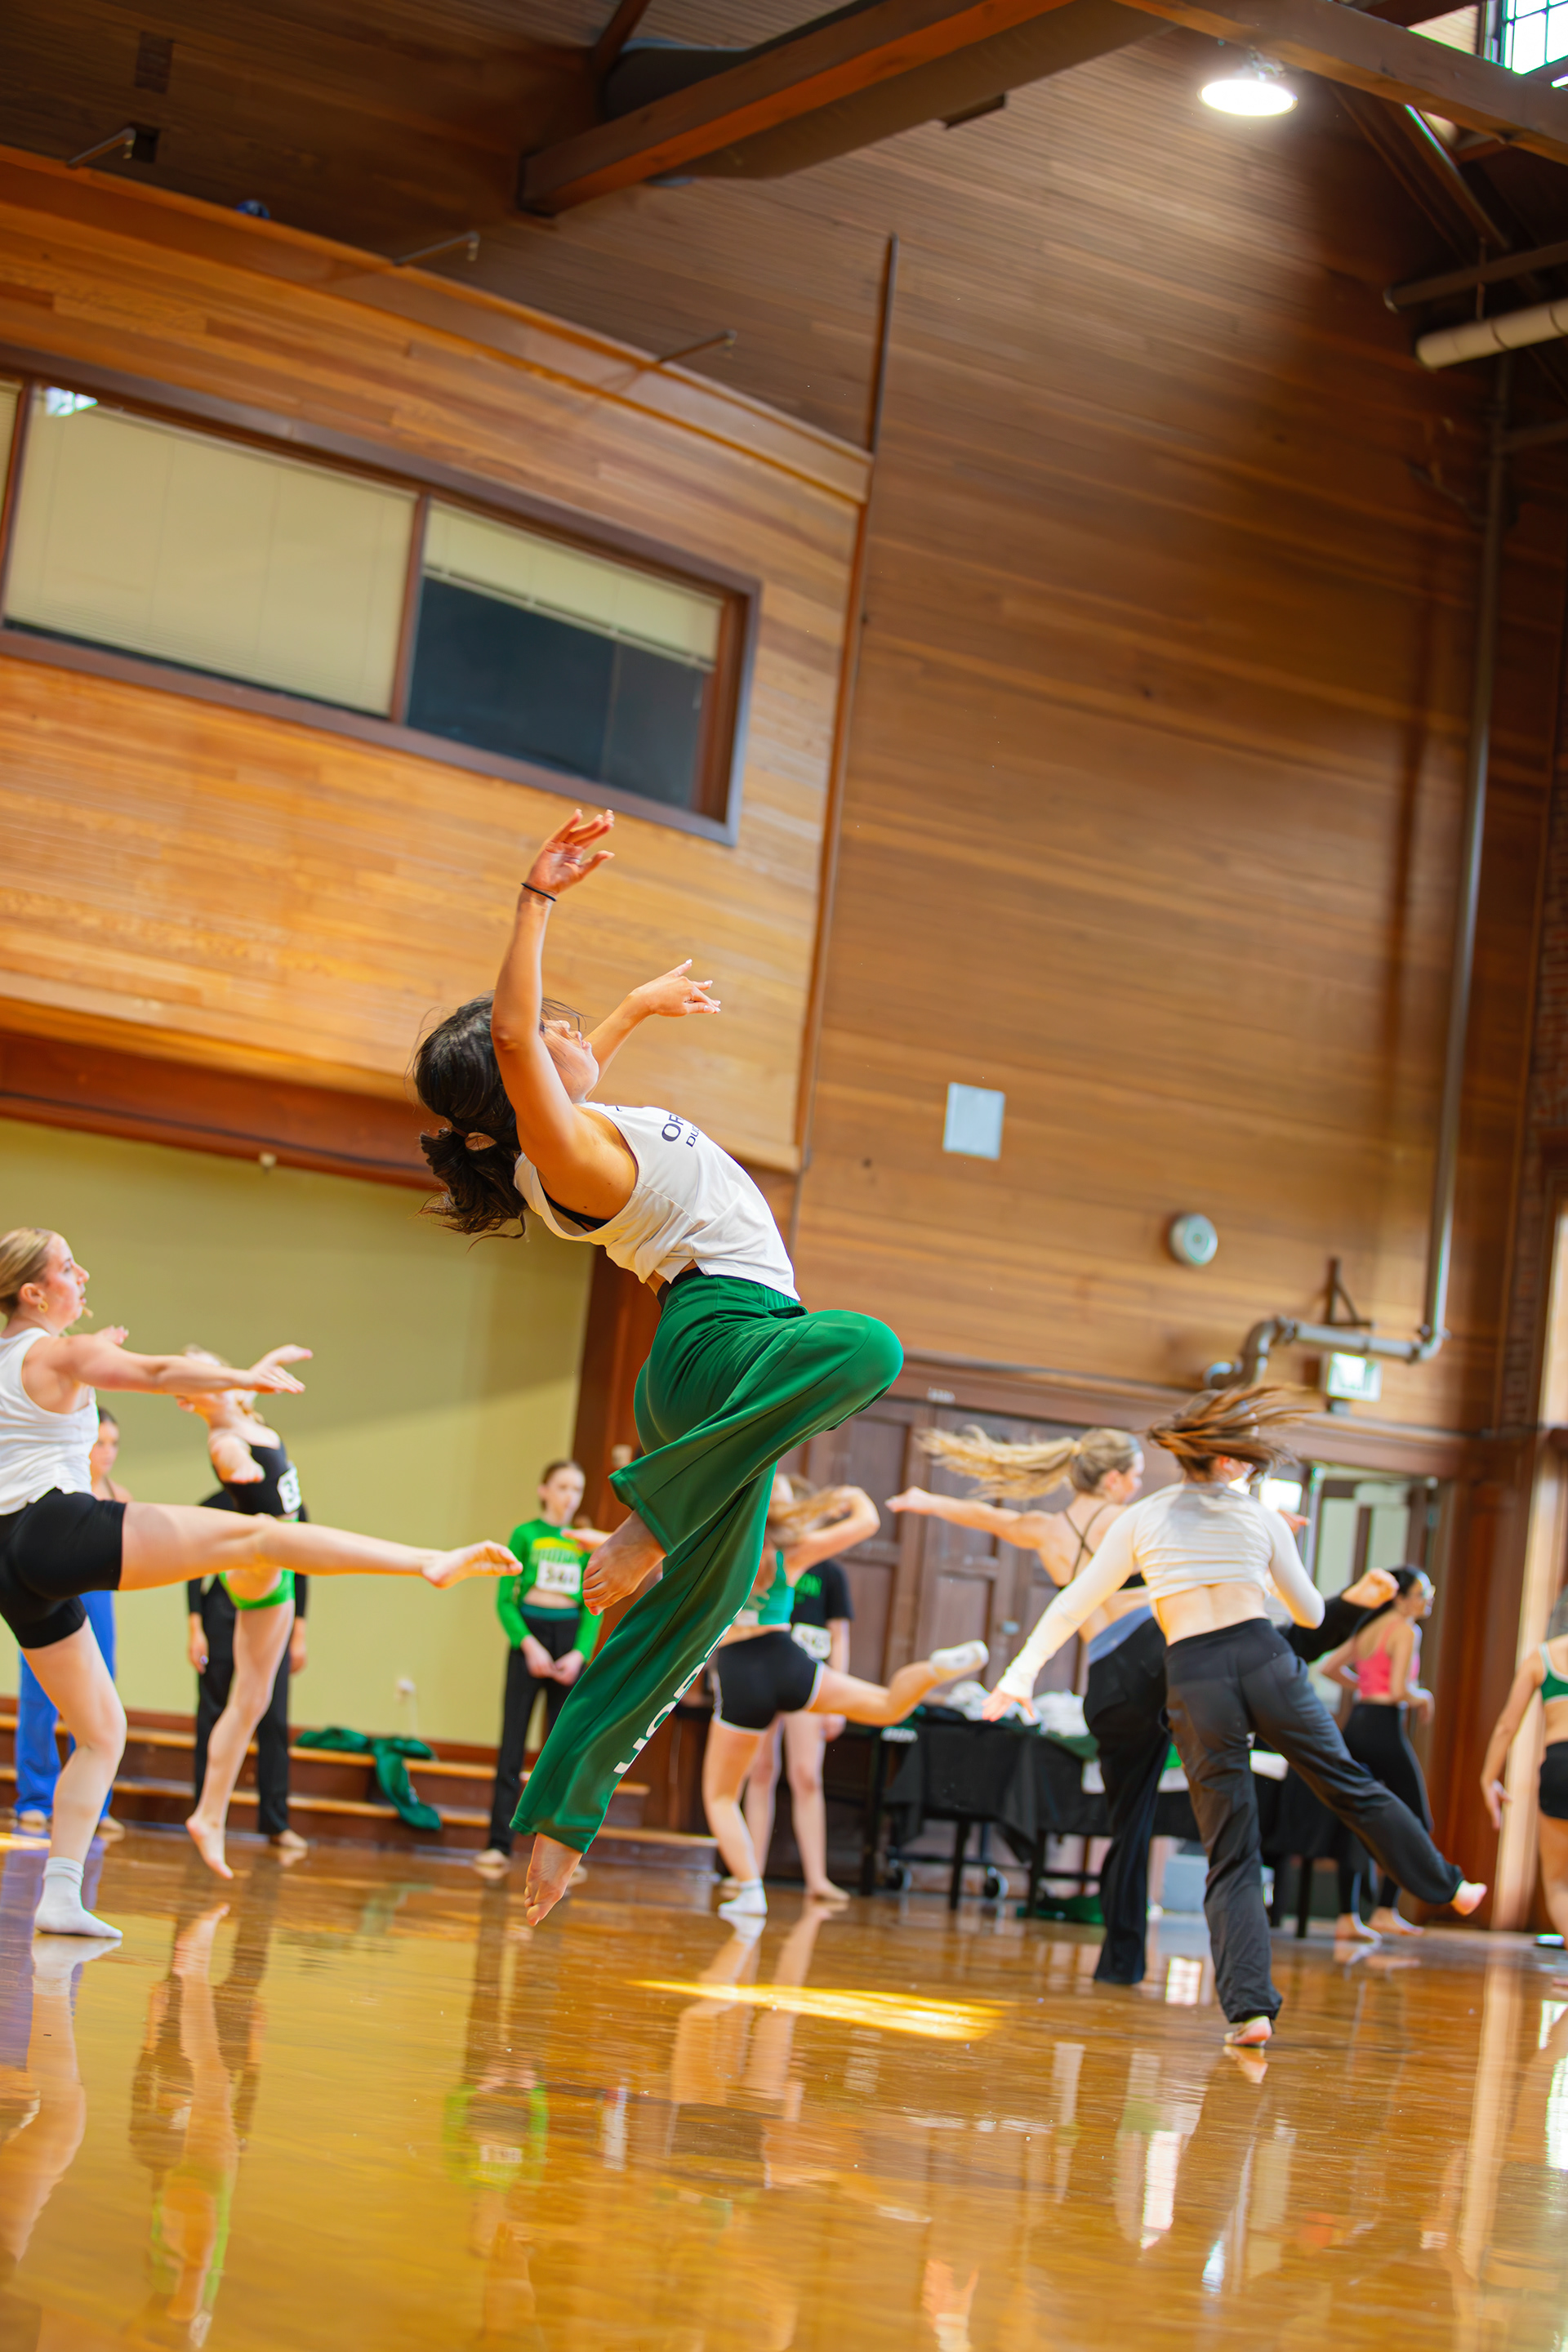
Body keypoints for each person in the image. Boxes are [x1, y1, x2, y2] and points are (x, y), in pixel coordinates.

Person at [412, 809, 907, 1927]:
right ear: (523, 1082)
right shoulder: (561, 1145)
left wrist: (636, 1008)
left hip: (703, 1361)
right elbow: (517, 1038)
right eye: (555, 1033)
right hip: (728, 1334)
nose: (568, 1031)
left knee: (708, 1599)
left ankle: (558, 1822)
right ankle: (653, 1512)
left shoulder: (561, 1140)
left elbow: (554, 1061)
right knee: (867, 1347)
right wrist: (535, 898)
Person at [0, 1226, 513, 1935]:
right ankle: (427, 1562)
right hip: (54, 1527)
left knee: (104, 1731)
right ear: (33, 1291)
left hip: (11, 1561)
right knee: (260, 1537)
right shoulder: (63, 1353)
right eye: (67, 1266)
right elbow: (156, 1373)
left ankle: (60, 1896)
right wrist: (243, 1377)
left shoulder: (23, 1356)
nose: (81, 1273)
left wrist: (100, 1351)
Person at [985, 1387, 1484, 2046]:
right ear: (1227, 1461)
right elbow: (1310, 1615)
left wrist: (1018, 1676)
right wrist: (1280, 1567)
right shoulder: (1261, 1518)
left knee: (1231, 1849)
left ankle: (1251, 2010)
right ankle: (1448, 1885)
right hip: (1264, 1658)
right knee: (1349, 1784)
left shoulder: (1143, 1517)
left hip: (1195, 1678)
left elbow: (1073, 1603)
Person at [892, 1428, 1152, 1979]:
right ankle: (1127, 1940)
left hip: (1105, 1679)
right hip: (1151, 1672)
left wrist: (927, 1501)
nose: (1137, 1485)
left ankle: (1120, 1950)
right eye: (1136, 1475)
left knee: (1129, 1812)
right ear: (1113, 1478)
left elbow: (988, 1518)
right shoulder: (1130, 1523)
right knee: (1143, 1812)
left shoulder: (1046, 1529)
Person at [703, 1477, 985, 1918]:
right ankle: (934, 1670)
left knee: (721, 1795)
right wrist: (845, 1494)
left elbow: (649, 1551)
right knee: (889, 1706)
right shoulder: (793, 1552)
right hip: (785, 1660)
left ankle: (750, 1889)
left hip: (740, 1669)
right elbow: (868, 1520)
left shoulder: (718, 1546)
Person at [184, 1357, 314, 1860]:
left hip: (279, 1576)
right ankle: (208, 1811)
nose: (224, 1380)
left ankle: (213, 1816)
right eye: (207, 1379)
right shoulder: (226, 1439)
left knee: (255, 1705)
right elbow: (232, 1458)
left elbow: (245, 1389)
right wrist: (241, 1468)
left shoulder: (245, 1417)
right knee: (237, 1707)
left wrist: (268, 1365)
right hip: (257, 1575)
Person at [474, 1459, 606, 1874]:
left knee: (562, 1750)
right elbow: (505, 1599)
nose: (570, 1496)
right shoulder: (525, 1535)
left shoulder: (585, 1541)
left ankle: (556, 1851)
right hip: (530, 1638)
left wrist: (579, 1653)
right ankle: (499, 1845)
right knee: (512, 1744)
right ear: (544, 1490)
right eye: (562, 1487)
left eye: (577, 1489)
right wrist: (527, 1645)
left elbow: (596, 1604)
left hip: (569, 1641)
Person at [739, 1474, 860, 1903]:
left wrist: (837, 1701)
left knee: (806, 1775)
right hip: (765, 1670)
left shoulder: (829, 1571)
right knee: (760, 1770)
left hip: (809, 1680)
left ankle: (817, 1879)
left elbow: (840, 1635)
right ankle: (749, 1875)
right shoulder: (764, 1559)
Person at [12, 1406, 127, 1842]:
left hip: (99, 1598)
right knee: (39, 1695)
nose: (108, 1452)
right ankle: (36, 1798)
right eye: (100, 1443)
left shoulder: (119, 1494)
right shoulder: (57, 1487)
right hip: (54, 1591)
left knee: (101, 1692)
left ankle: (97, 1804)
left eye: (114, 1443)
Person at [1321, 1566, 1437, 1940]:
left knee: (1354, 1817)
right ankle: (1386, 1909)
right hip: (1384, 1726)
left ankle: (1347, 1917)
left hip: (1358, 1723)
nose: (1427, 1600)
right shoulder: (1406, 1630)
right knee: (1416, 1818)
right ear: (1400, 1599)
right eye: (1421, 1593)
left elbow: (1329, 1667)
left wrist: (1364, 1686)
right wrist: (1424, 1697)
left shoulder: (1370, 1627)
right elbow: (1402, 1690)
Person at [1479, 1585, 1568, 1940]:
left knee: (1558, 1882)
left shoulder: (1542, 1657)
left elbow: (1507, 1725)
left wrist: (1489, 1778)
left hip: (1559, 1764)